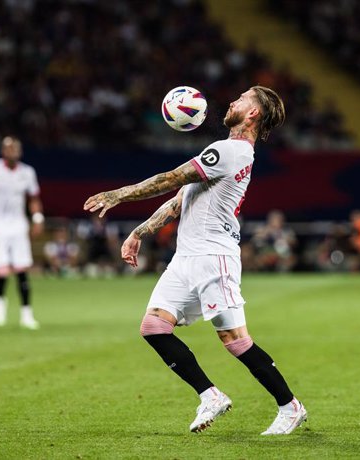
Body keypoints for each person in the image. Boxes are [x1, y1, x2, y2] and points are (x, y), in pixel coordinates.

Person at [84, 86, 306, 435]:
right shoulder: (221, 153)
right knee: (154, 327)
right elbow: (179, 198)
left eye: (244, 98)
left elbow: (170, 178)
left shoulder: (232, 151)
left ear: (253, 114)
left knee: (235, 340)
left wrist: (118, 194)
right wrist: (139, 232)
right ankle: (210, 395)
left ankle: (290, 406)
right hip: (187, 257)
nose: (234, 100)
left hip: (213, 256)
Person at [0, 136, 44, 329]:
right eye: (9, 147)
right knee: (1, 269)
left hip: (17, 224)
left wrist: (37, 218)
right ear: (2, 151)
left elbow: (33, 198)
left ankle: (26, 314)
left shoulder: (27, 172)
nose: (12, 150)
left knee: (22, 269)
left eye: (16, 147)